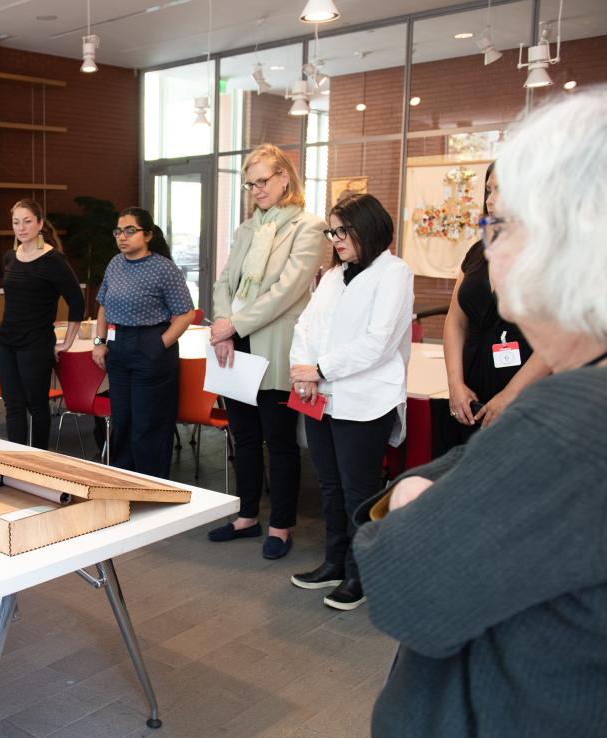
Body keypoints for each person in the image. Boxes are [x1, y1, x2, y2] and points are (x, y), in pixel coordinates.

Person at [352, 89, 607, 738]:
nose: (487, 247)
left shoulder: (575, 423)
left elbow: (402, 588)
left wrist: (407, 494)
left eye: (496, 224)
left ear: (562, 236)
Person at [288, 193, 413, 611]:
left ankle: (361, 573)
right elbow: (306, 326)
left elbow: (378, 342)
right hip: (322, 397)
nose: (336, 239)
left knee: (358, 491)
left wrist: (319, 369)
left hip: (365, 399)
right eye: (333, 231)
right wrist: (302, 370)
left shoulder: (394, 272)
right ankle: (334, 561)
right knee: (329, 485)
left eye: (344, 230)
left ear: (369, 228)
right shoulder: (335, 275)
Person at [205, 144, 331, 559]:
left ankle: (280, 526)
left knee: (278, 440)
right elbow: (224, 282)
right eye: (250, 183)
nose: (256, 189)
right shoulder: (247, 228)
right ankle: (246, 516)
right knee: (243, 436)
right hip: (235, 342)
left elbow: (288, 291)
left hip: (275, 345)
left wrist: (234, 324)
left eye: (263, 181)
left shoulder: (308, 227)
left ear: (284, 179)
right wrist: (223, 327)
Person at [441, 162, 548, 445]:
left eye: (500, 190)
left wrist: (509, 395)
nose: (490, 199)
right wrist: (455, 384)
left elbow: (557, 341)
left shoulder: (548, 255)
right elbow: (455, 321)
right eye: (488, 190)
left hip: (526, 393)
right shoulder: (478, 251)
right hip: (470, 393)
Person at [91, 207, 195, 478]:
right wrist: (99, 342)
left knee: (147, 424)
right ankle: (125, 484)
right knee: (122, 421)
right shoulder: (115, 263)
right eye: (118, 231)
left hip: (151, 345)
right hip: (119, 346)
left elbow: (186, 313)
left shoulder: (163, 268)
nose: (121, 236)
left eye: (129, 230)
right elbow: (103, 305)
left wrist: (160, 344)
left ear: (148, 235)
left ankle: (152, 489)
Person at [0, 199, 85, 448]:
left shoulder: (53, 260)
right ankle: (17, 463)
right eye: (16, 222)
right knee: (12, 405)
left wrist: (67, 341)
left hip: (35, 343)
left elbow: (77, 301)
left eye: (27, 221)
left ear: (40, 223)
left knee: (36, 405)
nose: (21, 228)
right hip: (6, 342)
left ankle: (39, 463)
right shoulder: (10, 257)